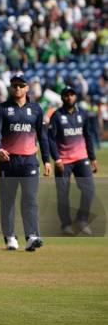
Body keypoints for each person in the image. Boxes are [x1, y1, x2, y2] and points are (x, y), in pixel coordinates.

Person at [0, 73, 51, 251]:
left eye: (21, 85)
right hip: (8, 161)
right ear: (11, 87)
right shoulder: (2, 108)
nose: (17, 88)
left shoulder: (36, 109)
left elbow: (43, 136)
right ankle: (10, 236)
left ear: (27, 87)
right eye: (15, 85)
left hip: (30, 161)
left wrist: (47, 160)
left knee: (30, 199)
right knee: (8, 201)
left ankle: (32, 236)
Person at [48, 86, 98, 236]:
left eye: (72, 95)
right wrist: (56, 159)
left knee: (89, 190)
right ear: (62, 98)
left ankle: (82, 220)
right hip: (63, 161)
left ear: (75, 97)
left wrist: (93, 157)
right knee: (63, 194)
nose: (69, 98)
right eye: (66, 95)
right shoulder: (56, 116)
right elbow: (50, 139)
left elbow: (88, 136)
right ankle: (65, 225)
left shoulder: (82, 114)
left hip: (81, 158)